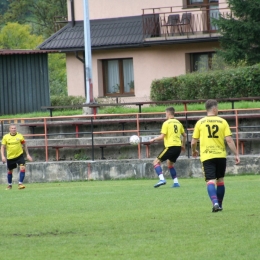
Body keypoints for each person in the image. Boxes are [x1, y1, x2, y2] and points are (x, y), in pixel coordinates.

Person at [191, 99, 240, 212]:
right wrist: (236, 154)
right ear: (214, 109)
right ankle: (220, 205)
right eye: (217, 108)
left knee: (210, 181)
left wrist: (194, 151)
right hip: (221, 155)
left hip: (207, 156)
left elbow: (193, 142)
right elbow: (229, 140)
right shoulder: (222, 122)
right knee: (220, 181)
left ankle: (215, 203)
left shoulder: (200, 122)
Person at [150, 107, 186, 188]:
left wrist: (154, 139)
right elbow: (184, 135)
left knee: (156, 162)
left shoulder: (166, 123)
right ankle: (176, 183)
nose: (165, 115)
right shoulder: (178, 123)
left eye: (165, 113)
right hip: (178, 148)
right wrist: (183, 145)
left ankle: (162, 179)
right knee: (170, 164)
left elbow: (162, 136)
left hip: (170, 146)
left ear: (168, 113)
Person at [1, 124, 33, 190]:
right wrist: (3, 156)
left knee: (22, 168)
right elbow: (2, 147)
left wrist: (27, 154)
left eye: (14, 128)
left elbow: (24, 145)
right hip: (10, 157)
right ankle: (10, 185)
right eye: (12, 128)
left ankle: (20, 184)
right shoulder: (6, 137)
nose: (14, 129)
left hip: (19, 155)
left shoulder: (20, 136)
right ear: (9, 129)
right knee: (10, 171)